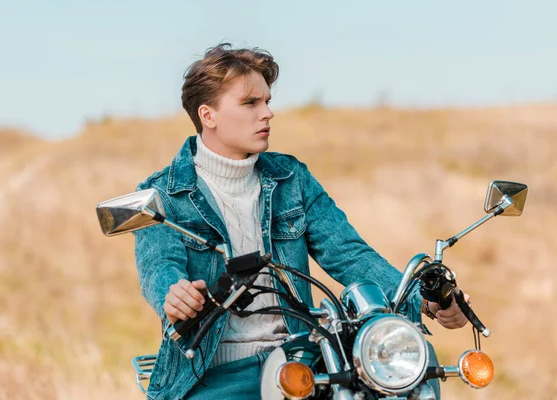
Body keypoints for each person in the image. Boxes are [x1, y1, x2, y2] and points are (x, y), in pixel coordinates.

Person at [133, 43, 469, 400]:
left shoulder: (291, 178)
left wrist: (425, 299)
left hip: (301, 358)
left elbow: (349, 254)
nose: (267, 113)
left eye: (267, 101)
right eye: (250, 103)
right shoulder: (164, 194)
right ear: (208, 115)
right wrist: (172, 295)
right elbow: (158, 267)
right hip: (210, 373)